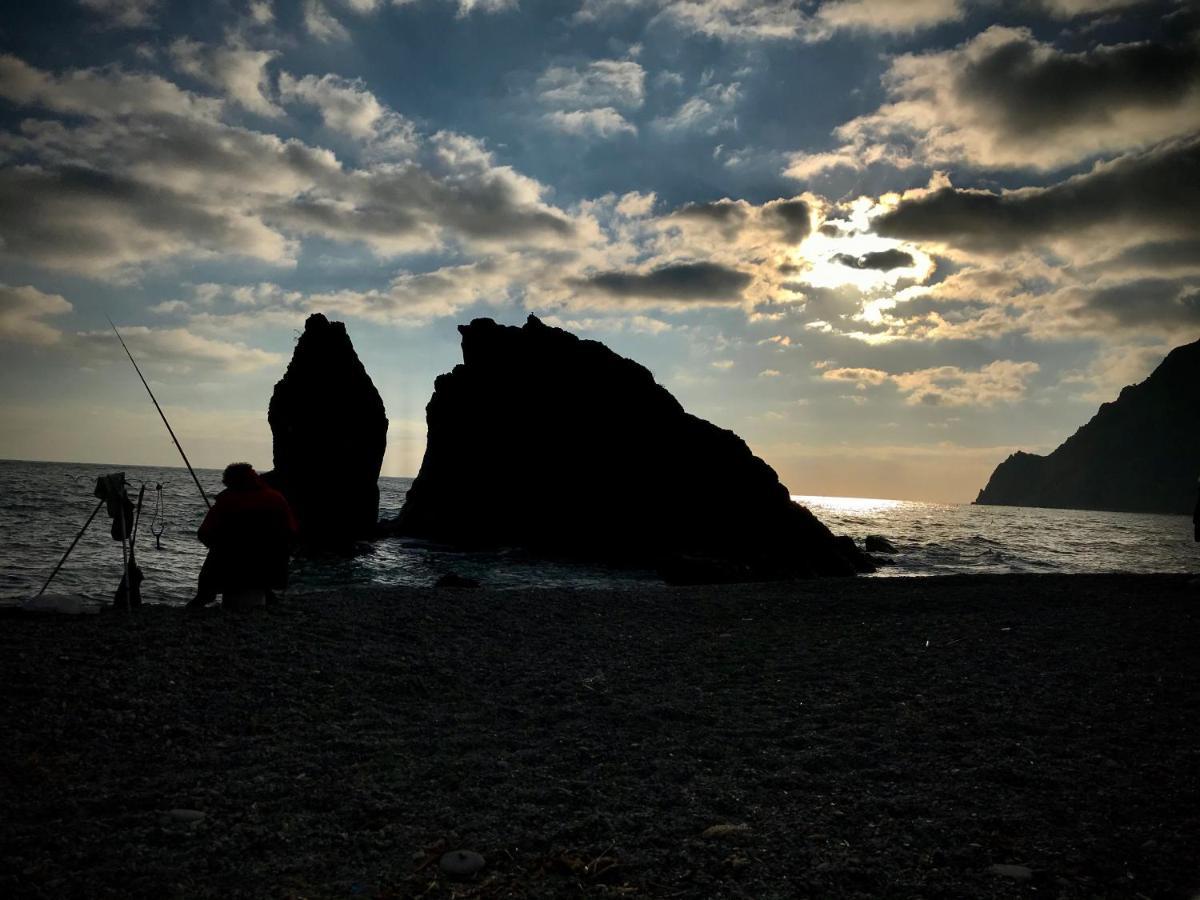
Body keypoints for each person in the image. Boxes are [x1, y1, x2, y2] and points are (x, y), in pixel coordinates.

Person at [187, 463, 298, 609]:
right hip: (271, 566)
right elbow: (291, 532)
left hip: (232, 566)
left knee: (220, 553)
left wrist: (218, 544)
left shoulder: (227, 500)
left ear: (232, 481)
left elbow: (204, 533)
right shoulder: (276, 498)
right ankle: (266, 591)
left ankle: (204, 596)